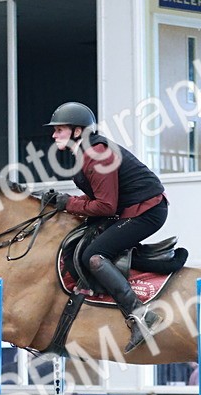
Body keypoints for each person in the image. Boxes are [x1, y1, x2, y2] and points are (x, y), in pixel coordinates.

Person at [42, 101, 168, 354]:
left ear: (78, 131)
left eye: (59, 129)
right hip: (132, 209)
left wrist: (68, 203)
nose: (54, 134)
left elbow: (105, 206)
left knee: (95, 256)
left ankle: (142, 317)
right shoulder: (86, 152)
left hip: (147, 211)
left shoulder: (96, 153)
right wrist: (66, 202)